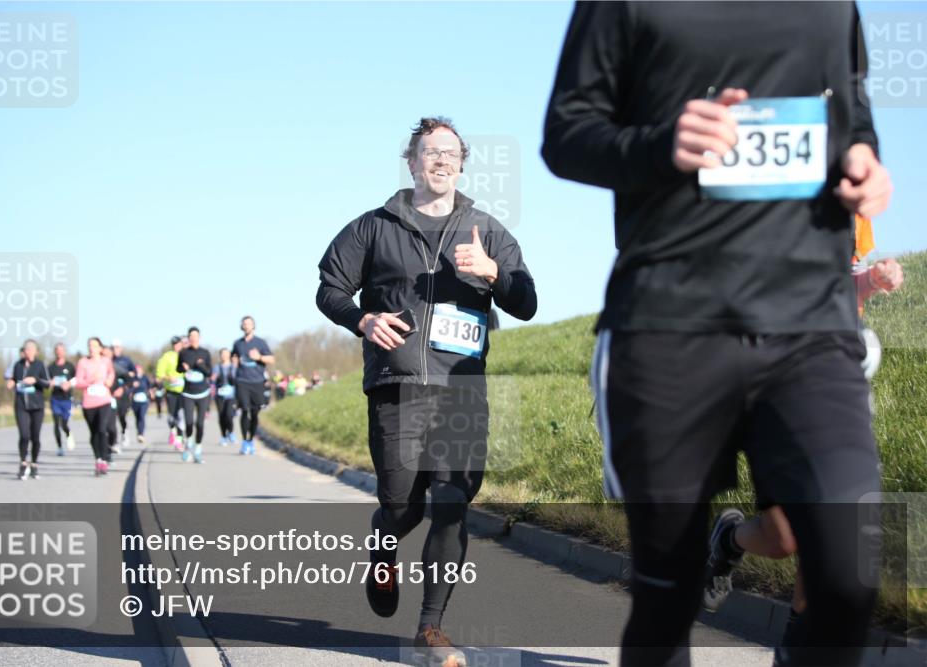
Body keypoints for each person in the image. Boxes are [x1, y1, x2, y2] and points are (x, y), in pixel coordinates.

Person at [542, 4, 892, 665]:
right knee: (666, 599)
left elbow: (852, 106)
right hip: (670, 324)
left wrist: (864, 158)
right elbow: (566, 133)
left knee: (849, 569)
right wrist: (660, 142)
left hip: (810, 322)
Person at [316, 116, 537, 666]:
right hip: (398, 386)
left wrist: (492, 274)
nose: (440, 160)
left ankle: (430, 627)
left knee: (451, 503)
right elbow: (330, 289)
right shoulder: (373, 226)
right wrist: (362, 320)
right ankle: (384, 543)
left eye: (450, 152)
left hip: (461, 390)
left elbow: (527, 301)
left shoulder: (488, 230)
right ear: (411, 162)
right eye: (429, 151)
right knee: (402, 505)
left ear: (461, 164)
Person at [702, 250, 905, 664]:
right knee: (784, 540)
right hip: (773, 395)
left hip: (837, 395)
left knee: (829, 536)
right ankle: (728, 538)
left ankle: (796, 644)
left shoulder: (838, 210)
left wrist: (871, 280)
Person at [7, 339, 51, 480]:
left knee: (35, 437)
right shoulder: (18, 365)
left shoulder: (40, 365)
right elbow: (12, 379)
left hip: (37, 406)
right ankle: (23, 463)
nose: (29, 352)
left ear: (36, 351)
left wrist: (36, 380)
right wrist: (11, 382)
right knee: (24, 435)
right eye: (27, 349)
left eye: (32, 349)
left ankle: (34, 463)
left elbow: (47, 384)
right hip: (21, 405)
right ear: (23, 351)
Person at [231, 316, 275, 455]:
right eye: (244, 324)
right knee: (244, 410)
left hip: (257, 381)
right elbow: (234, 358)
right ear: (241, 326)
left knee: (255, 412)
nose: (246, 326)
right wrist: (234, 362)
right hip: (242, 380)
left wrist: (259, 357)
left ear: (253, 326)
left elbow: (272, 359)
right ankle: (244, 442)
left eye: (249, 323)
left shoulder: (260, 343)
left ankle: (251, 440)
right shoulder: (238, 343)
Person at [74, 337, 115, 476]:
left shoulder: (106, 361)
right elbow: (78, 382)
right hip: (89, 402)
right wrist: (91, 380)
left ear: (100, 348)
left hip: (104, 400)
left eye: (94, 345)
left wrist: (109, 380)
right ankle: (97, 458)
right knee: (94, 433)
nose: (92, 348)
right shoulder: (82, 362)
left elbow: (111, 373)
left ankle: (104, 459)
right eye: (89, 345)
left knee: (102, 429)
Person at [177, 326, 212, 463]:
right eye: (191, 336)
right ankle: (188, 445)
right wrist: (183, 368)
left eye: (195, 336)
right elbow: (178, 369)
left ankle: (198, 448)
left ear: (199, 337)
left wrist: (201, 365)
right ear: (188, 338)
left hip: (203, 392)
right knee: (189, 422)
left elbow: (209, 372)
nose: (193, 338)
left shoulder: (205, 353)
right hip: (187, 393)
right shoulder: (184, 353)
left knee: (200, 424)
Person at [47, 342, 77, 456]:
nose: (59, 352)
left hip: (67, 399)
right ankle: (59, 447)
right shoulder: (51, 367)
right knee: (56, 422)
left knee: (64, 423)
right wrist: (51, 383)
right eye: (57, 350)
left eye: (61, 350)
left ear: (64, 352)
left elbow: (76, 379)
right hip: (55, 398)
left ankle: (68, 433)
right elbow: (46, 382)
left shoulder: (69, 366)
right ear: (55, 352)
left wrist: (69, 384)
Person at [156, 336, 186, 449]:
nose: (176, 346)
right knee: (171, 417)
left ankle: (179, 439)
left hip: (184, 391)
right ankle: (172, 430)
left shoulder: (185, 355)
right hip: (171, 391)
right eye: (174, 344)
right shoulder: (166, 357)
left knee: (181, 415)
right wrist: (168, 378)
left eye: (178, 343)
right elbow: (159, 375)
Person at [111, 339, 138, 447]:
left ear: (121, 348)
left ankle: (124, 431)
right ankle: (113, 441)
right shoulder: (109, 360)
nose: (115, 350)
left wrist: (130, 375)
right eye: (113, 348)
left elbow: (134, 373)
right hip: (112, 392)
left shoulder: (127, 360)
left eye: (117, 347)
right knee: (111, 416)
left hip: (124, 391)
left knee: (122, 415)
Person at [212, 348, 237, 447]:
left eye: (226, 354)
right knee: (222, 416)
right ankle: (223, 436)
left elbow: (237, 379)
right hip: (220, 395)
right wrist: (213, 378)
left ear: (229, 355)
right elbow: (212, 380)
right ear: (220, 356)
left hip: (231, 395)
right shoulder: (217, 367)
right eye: (222, 354)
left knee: (229, 415)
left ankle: (230, 432)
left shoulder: (233, 367)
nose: (224, 356)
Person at [130, 364, 152, 443]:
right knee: (137, 417)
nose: (138, 371)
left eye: (139, 369)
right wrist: (133, 386)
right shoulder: (133, 378)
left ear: (142, 370)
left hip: (144, 400)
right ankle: (139, 432)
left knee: (142, 416)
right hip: (135, 401)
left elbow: (149, 387)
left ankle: (141, 434)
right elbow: (129, 389)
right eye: (136, 369)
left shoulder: (145, 378)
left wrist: (151, 394)